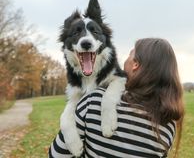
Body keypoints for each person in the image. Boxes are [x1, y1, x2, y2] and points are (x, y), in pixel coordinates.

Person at [49, 38, 185, 158]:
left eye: (130, 54)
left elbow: (56, 154)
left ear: (135, 64)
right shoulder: (169, 123)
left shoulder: (94, 101)